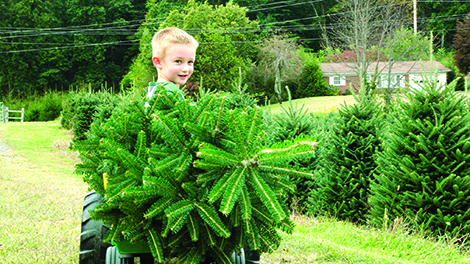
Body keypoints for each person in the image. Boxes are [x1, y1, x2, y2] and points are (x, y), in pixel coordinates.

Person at [147, 27, 199, 100]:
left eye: (190, 62)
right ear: (158, 62)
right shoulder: (171, 92)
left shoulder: (154, 89)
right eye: (178, 61)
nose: (185, 69)